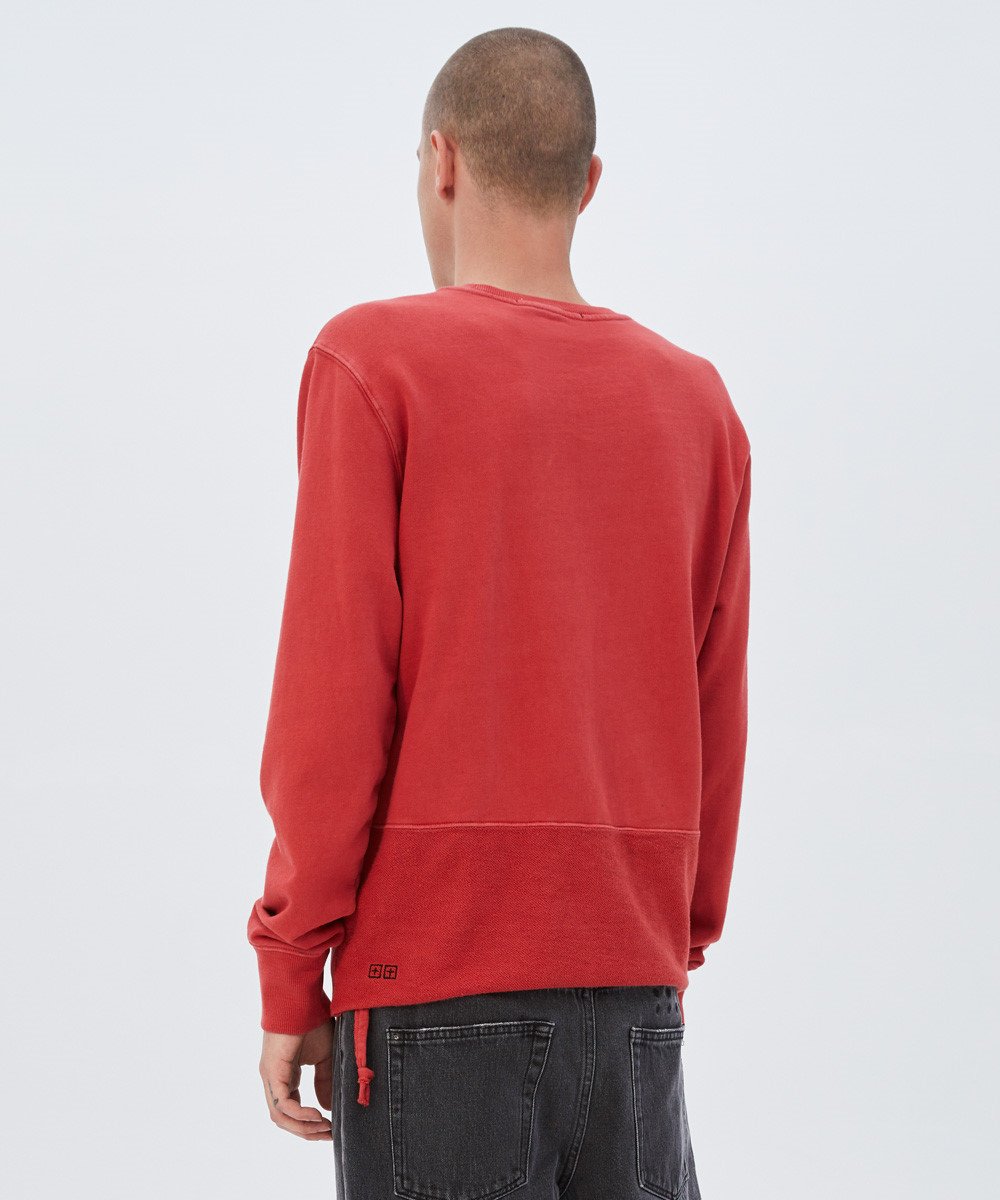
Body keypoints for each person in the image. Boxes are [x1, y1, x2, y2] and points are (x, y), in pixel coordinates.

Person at [247, 26, 751, 1200]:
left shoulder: (374, 361)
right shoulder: (695, 404)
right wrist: (665, 942)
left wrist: (290, 967)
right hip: (634, 997)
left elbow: (331, 709)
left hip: (433, 995)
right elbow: (714, 712)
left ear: (442, 162)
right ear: (587, 182)